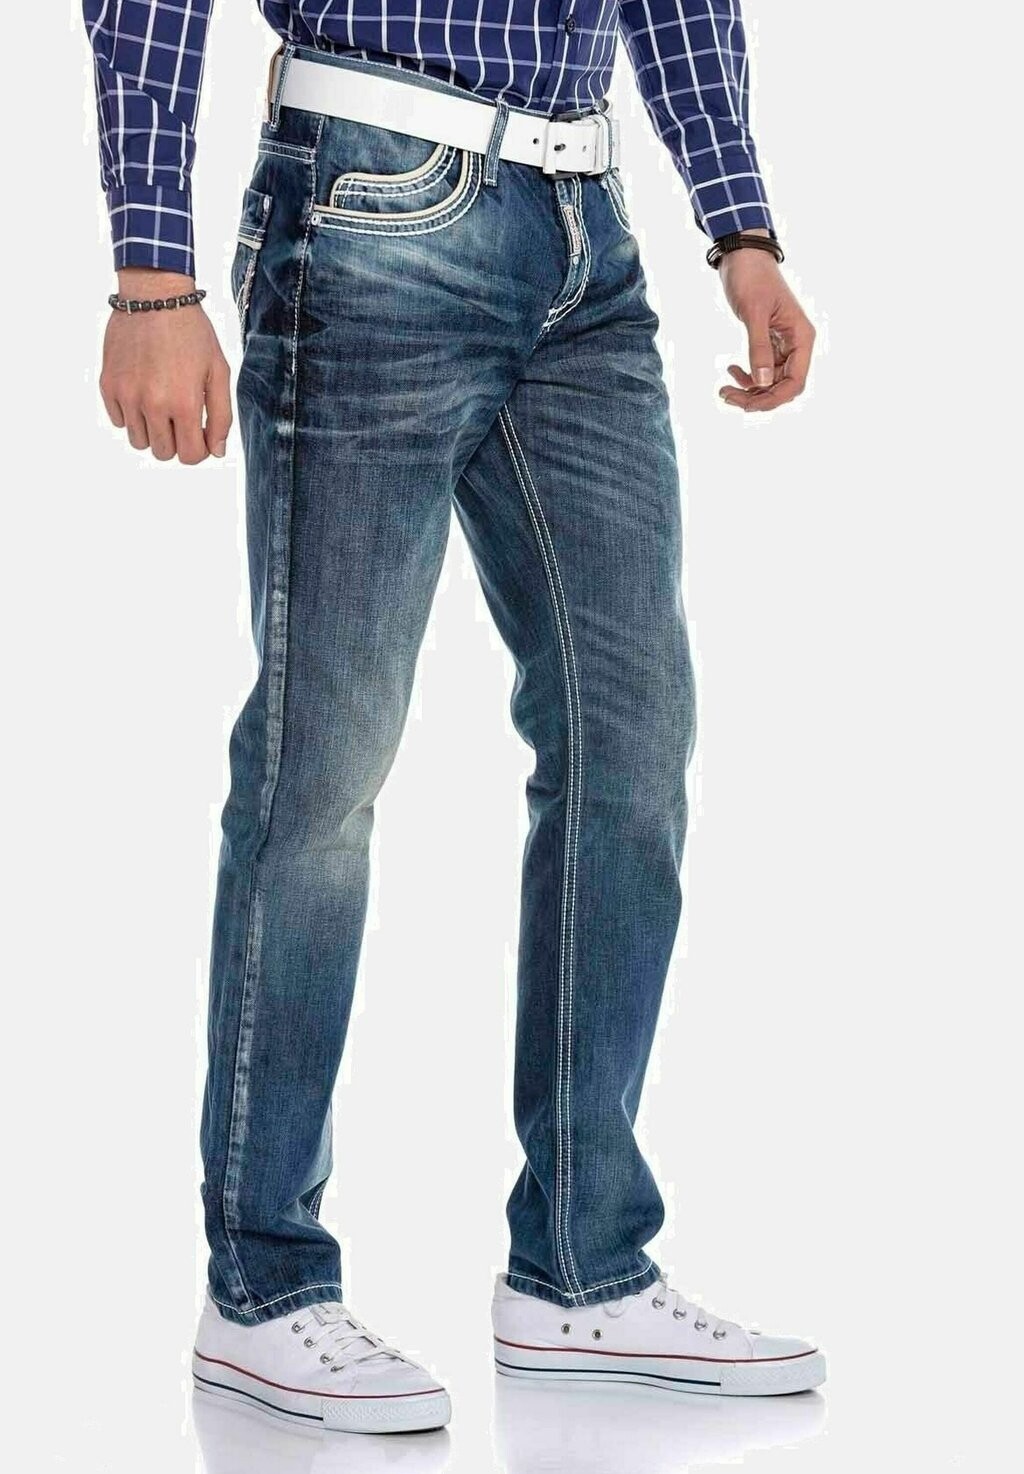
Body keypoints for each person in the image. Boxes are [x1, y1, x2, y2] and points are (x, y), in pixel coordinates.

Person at [84, 0, 822, 1435]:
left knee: (632, 743)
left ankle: (581, 1268)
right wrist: (150, 275)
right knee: (324, 760)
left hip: (585, 234)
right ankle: (263, 1286)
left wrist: (739, 224)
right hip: (370, 197)